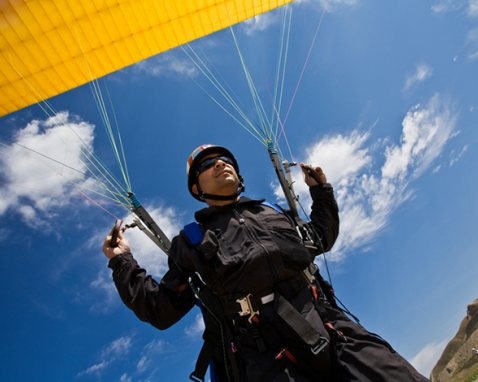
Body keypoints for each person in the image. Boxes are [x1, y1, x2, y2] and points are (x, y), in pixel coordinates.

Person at [103, 144, 428, 382]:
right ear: (196, 188)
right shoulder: (190, 241)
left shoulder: (274, 213)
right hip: (262, 351)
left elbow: (319, 238)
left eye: (225, 160)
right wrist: (122, 262)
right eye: (209, 164)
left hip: (326, 325)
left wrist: (321, 193)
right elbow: (161, 308)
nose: (220, 165)